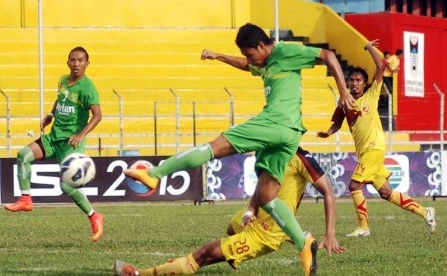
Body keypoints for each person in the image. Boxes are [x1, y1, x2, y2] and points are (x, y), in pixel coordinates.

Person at [124, 22, 353, 275]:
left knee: (214, 147)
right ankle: (303, 242)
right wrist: (219, 56)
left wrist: (342, 93)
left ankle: (155, 174)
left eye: (250, 53)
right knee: (267, 196)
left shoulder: (285, 51)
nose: (249, 59)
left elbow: (328, 55)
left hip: (275, 122)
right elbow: (248, 66)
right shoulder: (264, 63)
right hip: (289, 135)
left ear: (262, 45)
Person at [114, 147, 346, 276]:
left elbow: (328, 192)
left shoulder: (301, 158)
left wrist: (330, 233)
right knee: (231, 226)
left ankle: (138, 274)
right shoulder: (267, 154)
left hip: (269, 231)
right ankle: (231, 253)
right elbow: (261, 188)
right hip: (257, 218)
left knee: (204, 255)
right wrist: (249, 210)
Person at [317, 40, 436, 237]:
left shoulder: (372, 95)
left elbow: (381, 66)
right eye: (351, 80)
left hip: (374, 148)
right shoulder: (344, 103)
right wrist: (328, 133)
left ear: (365, 84)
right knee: (386, 193)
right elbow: (337, 123)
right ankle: (426, 212)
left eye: (358, 80)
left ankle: (363, 227)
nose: (354, 83)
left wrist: (369, 48)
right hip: (365, 152)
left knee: (354, 185)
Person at [4, 46, 105, 242]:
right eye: (73, 60)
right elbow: (60, 101)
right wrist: (51, 114)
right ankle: (26, 199)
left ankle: (94, 216)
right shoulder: (63, 80)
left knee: (67, 188)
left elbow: (98, 116)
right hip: (53, 137)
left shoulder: (87, 88)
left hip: (70, 143)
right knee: (23, 154)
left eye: (81, 60)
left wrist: (81, 134)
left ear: (87, 64)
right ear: (67, 62)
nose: (76, 64)